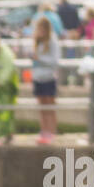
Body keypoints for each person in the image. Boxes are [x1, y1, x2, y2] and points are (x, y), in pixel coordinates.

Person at [31, 14, 60, 145]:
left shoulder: (52, 41)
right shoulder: (38, 42)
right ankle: (44, 131)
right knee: (41, 107)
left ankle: (52, 132)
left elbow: (54, 61)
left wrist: (39, 59)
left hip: (48, 77)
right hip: (38, 77)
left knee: (50, 106)